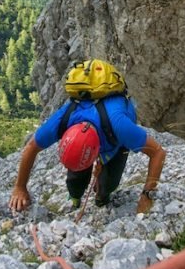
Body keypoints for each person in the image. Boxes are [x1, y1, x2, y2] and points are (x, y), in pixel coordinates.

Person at [9, 89, 166, 214]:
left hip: (114, 139)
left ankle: (102, 196)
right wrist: (20, 187)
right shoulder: (62, 120)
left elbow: (158, 153)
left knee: (108, 184)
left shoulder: (121, 127)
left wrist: (147, 195)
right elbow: (31, 148)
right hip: (99, 132)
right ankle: (75, 196)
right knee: (75, 179)